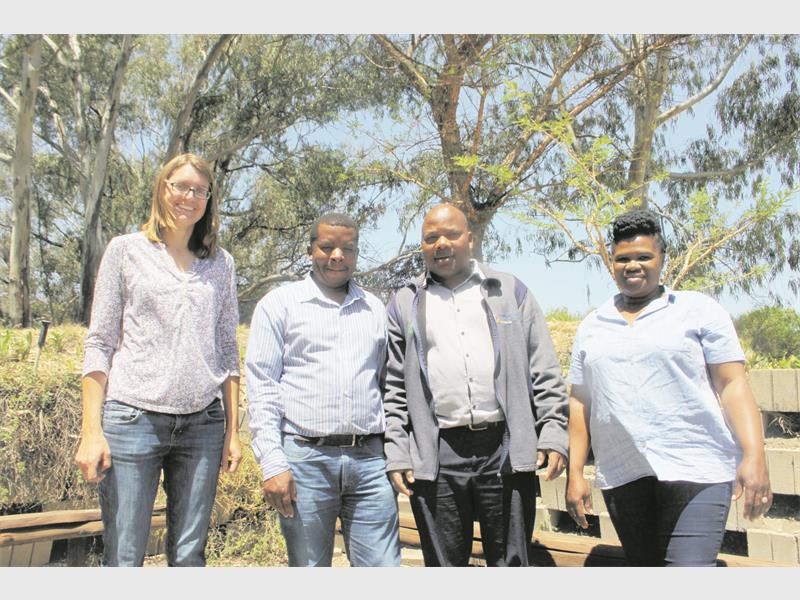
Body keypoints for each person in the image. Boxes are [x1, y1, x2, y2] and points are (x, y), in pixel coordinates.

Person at [565, 208, 772, 567]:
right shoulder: (592, 326)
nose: (632, 265)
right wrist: (575, 474)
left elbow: (732, 384)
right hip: (624, 474)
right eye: (622, 258)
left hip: (697, 470)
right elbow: (580, 403)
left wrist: (754, 455)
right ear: (611, 263)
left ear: (661, 258)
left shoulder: (698, 311)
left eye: (644, 256)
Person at [75, 153, 242, 566]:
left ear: (209, 200)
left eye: (200, 191)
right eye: (181, 186)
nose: (190, 197)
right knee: (125, 554)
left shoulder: (221, 264)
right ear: (162, 189)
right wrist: (91, 431)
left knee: (189, 556)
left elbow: (227, 350)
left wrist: (233, 431)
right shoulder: (125, 251)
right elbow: (99, 342)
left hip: (202, 425)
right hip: (134, 420)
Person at [383, 203, 569, 567]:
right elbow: (394, 387)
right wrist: (398, 450)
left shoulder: (509, 291)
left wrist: (552, 432)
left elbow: (544, 367)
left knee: (511, 561)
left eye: (451, 235)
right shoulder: (405, 302)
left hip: (504, 448)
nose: (441, 244)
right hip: (438, 453)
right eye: (431, 238)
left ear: (470, 238)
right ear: (422, 246)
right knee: (444, 564)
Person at [245, 212, 401, 567]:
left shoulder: (374, 309)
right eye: (327, 247)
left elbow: (387, 385)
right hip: (306, 461)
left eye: (348, 248)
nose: (337, 256)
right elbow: (263, 388)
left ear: (357, 253)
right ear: (310, 250)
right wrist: (272, 463)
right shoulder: (279, 305)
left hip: (370, 463)